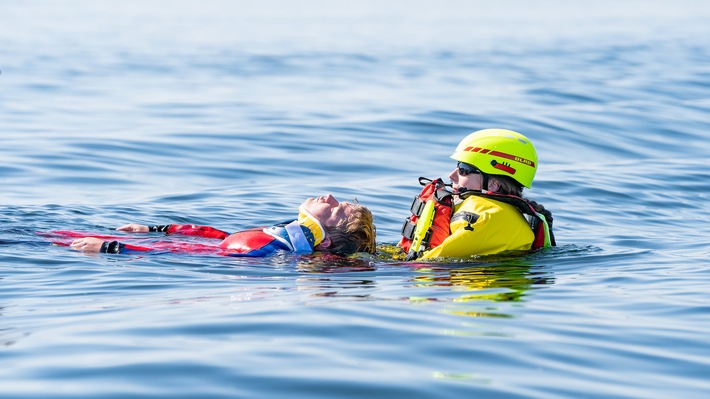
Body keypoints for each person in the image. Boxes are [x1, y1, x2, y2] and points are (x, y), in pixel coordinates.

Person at [399, 128, 555, 260]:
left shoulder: (489, 217)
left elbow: (429, 264)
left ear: (493, 184)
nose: (452, 175)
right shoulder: (494, 213)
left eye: (463, 170)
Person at [69, 194, 376, 256]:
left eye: (336, 209)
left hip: (154, 253)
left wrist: (112, 248)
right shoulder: (278, 237)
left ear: (323, 241)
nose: (329, 197)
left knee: (46, 242)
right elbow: (222, 237)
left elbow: (178, 257)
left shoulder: (268, 251)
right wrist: (157, 229)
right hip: (168, 241)